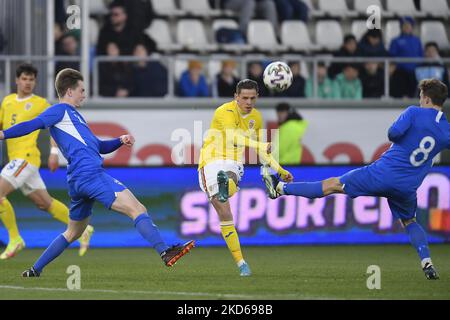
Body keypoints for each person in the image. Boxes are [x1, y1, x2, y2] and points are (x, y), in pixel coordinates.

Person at [0, 68, 194, 277]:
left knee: (73, 232)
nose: (84, 94)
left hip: (77, 180)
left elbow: (99, 146)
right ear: (69, 91)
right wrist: (3, 134)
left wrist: (120, 140)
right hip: (90, 173)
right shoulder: (60, 110)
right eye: (82, 90)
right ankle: (164, 251)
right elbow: (32, 125)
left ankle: (34, 270)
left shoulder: (74, 116)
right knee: (137, 209)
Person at [264, 78, 449, 280]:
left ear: (427, 98)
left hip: (381, 174)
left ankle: (279, 187)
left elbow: (393, 134)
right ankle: (427, 262)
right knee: (410, 221)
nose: (420, 100)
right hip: (407, 187)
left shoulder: (414, 112)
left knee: (331, 185)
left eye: (421, 97)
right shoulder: (446, 130)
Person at [198, 79, 293, 276]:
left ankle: (242, 265)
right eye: (244, 98)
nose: (248, 102)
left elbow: (263, 152)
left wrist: (279, 169)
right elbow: (234, 137)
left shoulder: (256, 118)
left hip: (233, 162)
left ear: (257, 97)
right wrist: (260, 146)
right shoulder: (224, 111)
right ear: (236, 97)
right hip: (211, 159)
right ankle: (241, 261)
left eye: (252, 98)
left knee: (229, 180)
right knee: (224, 212)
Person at [0, 63, 93, 259]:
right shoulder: (7, 101)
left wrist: (53, 152)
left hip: (25, 158)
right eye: (24, 79)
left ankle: (15, 239)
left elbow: (56, 124)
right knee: (45, 203)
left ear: (35, 82)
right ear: (17, 80)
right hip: (17, 160)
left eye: (31, 79)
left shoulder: (41, 103)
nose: (27, 83)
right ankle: (83, 229)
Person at [389, 16, 423, 95]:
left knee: (413, 95)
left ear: (412, 27)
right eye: (404, 25)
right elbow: (392, 56)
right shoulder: (395, 41)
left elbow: (421, 55)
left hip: (414, 72)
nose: (407, 27)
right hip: (400, 73)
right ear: (401, 27)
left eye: (409, 25)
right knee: (399, 95)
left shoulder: (417, 40)